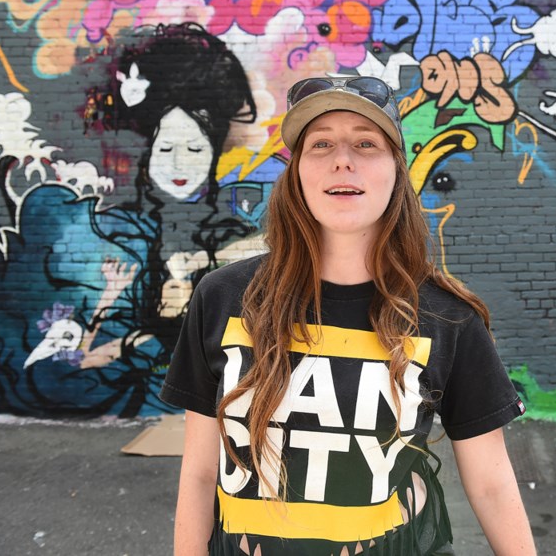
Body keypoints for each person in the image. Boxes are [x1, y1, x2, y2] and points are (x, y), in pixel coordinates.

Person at [161, 75, 537, 555]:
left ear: (396, 172)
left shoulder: (448, 317)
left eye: (366, 143)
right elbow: (198, 473)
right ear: (296, 172)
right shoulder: (224, 298)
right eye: (321, 144)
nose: (343, 159)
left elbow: (490, 482)